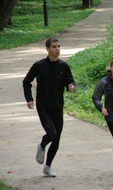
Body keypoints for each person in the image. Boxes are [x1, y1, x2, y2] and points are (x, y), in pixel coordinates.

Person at [23, 37, 76, 177]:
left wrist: (71, 86)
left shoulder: (63, 66)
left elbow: (69, 81)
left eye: (58, 46)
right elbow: (26, 82)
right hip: (43, 105)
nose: (57, 49)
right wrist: (29, 99)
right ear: (47, 49)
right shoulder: (39, 65)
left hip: (58, 106)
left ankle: (48, 167)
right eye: (54, 47)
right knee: (52, 134)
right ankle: (41, 146)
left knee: (57, 139)